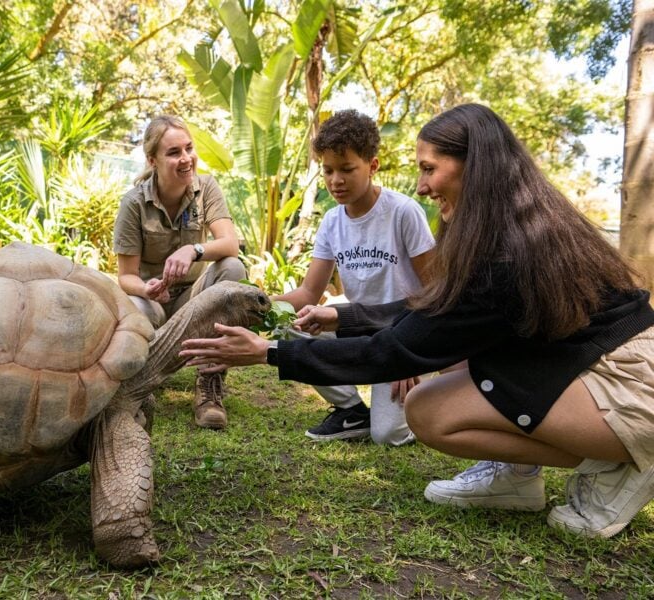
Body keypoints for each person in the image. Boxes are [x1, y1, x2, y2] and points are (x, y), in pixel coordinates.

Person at [180, 103, 654, 538]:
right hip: (577, 361)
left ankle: (619, 461)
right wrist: (335, 319)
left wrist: (269, 352)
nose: (423, 185)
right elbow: (433, 311)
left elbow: (405, 341)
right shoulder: (508, 223)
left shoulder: (503, 252)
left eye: (430, 169)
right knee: (432, 403)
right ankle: (517, 476)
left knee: (427, 412)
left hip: (627, 382)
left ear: (477, 166)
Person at [273, 109, 435, 443]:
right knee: (288, 326)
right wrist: (256, 302)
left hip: (403, 338)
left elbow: (435, 291)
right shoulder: (332, 222)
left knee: (388, 435)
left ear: (372, 166)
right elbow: (307, 294)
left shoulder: (403, 213)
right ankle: (351, 410)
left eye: (347, 169)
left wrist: (413, 356)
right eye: (328, 170)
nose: (336, 181)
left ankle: (424, 395)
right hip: (358, 330)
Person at [114, 115, 246, 429]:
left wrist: (194, 249)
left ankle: (209, 385)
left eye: (188, 148)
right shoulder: (133, 204)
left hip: (194, 299)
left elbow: (230, 244)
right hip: (154, 305)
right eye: (174, 152)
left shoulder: (207, 187)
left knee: (233, 269)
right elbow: (125, 276)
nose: (186, 158)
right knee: (133, 303)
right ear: (152, 160)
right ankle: (133, 387)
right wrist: (147, 290)